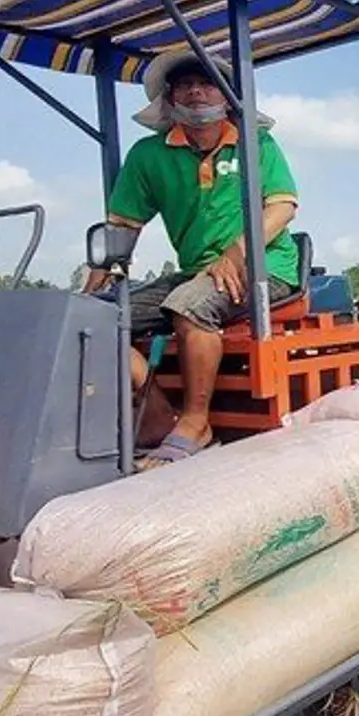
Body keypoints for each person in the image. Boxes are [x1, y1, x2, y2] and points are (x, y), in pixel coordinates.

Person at [84, 50, 301, 465]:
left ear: (225, 96)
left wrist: (235, 254)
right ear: (170, 98)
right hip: (195, 271)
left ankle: (197, 424)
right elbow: (123, 226)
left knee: (190, 305)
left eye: (207, 83)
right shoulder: (149, 155)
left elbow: (281, 207)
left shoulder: (257, 143)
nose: (197, 91)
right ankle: (161, 417)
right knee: (91, 319)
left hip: (265, 267)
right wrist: (95, 277)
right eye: (185, 84)